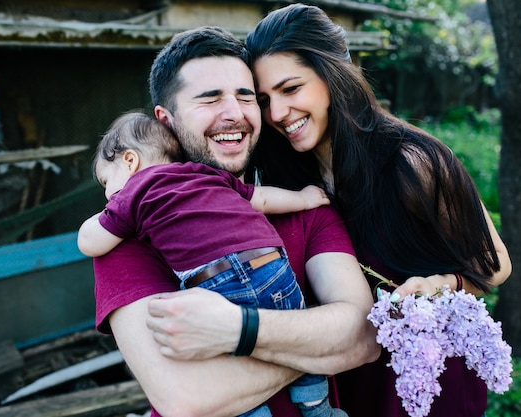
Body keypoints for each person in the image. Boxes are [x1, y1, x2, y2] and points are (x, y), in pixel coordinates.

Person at [145, 4, 513, 417]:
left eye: (291, 89)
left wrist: (440, 283)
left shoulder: (411, 162)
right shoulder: (283, 174)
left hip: (427, 381)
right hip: (340, 381)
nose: (277, 114)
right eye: (264, 99)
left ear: (331, 77)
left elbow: (495, 263)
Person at [92, 26, 379, 417]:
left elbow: (363, 336)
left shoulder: (307, 210)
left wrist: (234, 330)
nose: (234, 114)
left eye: (246, 97)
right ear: (167, 119)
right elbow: (187, 400)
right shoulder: (132, 238)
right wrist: (315, 337)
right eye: (210, 99)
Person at [78, 110, 343, 417]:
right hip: (273, 267)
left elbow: (90, 242)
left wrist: (106, 214)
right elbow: (263, 199)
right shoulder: (205, 174)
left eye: (105, 182)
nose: (107, 194)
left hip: (221, 281)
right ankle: (319, 408)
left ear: (129, 161)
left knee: (231, 352)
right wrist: (305, 198)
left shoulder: (133, 194)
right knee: (292, 327)